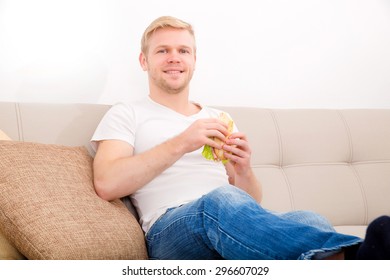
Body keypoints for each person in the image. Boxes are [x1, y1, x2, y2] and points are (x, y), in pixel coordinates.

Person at [91, 16, 389, 260]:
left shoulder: (219, 118)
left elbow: (249, 204)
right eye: (162, 51)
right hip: (170, 232)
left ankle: (348, 260)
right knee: (220, 200)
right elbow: (107, 183)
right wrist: (182, 142)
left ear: (194, 60)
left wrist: (244, 168)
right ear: (144, 61)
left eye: (183, 51)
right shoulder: (126, 113)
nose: (174, 58)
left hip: (226, 220)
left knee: (309, 220)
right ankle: (360, 255)